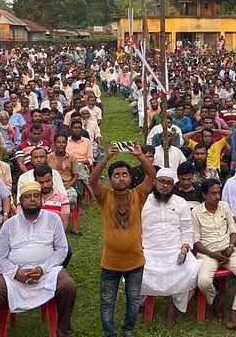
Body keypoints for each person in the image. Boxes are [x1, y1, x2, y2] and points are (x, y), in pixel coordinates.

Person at [0, 181, 76, 337]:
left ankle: (62, 331)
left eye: (36, 196)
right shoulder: (9, 225)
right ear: (20, 201)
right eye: (28, 196)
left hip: (47, 271)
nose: (32, 199)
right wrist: (16, 272)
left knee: (68, 286)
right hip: (15, 275)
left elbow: (62, 250)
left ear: (42, 199)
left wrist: (42, 269)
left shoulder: (53, 219)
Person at [90, 141, 155, 337]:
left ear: (130, 178)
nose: (121, 178)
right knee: (107, 301)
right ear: (110, 179)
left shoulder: (139, 195)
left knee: (133, 299)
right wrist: (106, 157)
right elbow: (92, 180)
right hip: (110, 262)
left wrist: (140, 156)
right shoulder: (105, 197)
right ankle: (109, 333)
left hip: (135, 261)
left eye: (124, 174)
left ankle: (128, 329)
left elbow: (152, 175)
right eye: (116, 175)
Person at [139, 167, 200, 326]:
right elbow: (135, 228)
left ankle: (173, 307)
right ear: (155, 182)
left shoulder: (180, 203)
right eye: (162, 182)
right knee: (138, 270)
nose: (165, 186)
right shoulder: (143, 201)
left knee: (191, 268)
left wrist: (185, 246)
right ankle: (141, 304)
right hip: (149, 250)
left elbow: (187, 228)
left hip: (175, 249)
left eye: (169, 183)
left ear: (174, 185)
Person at [192, 179, 236, 335]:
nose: (217, 196)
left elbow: (233, 231)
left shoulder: (224, 207)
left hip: (228, 251)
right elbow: (196, 242)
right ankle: (215, 297)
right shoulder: (196, 212)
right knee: (204, 282)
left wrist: (230, 248)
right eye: (213, 193)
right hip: (208, 253)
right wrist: (214, 255)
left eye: (218, 192)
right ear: (204, 194)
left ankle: (234, 316)